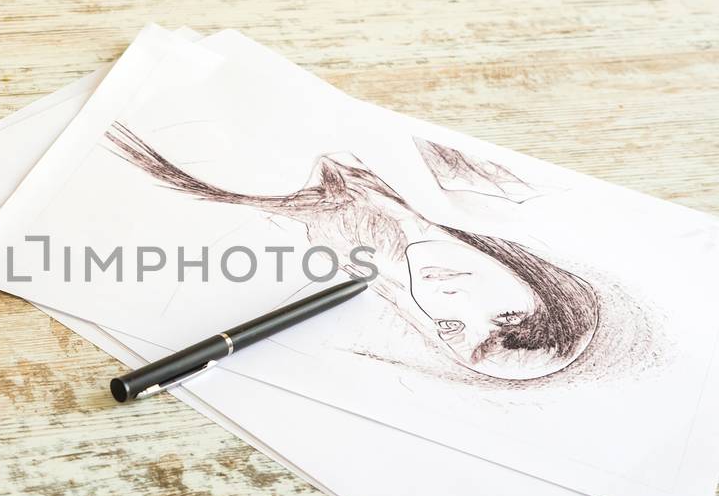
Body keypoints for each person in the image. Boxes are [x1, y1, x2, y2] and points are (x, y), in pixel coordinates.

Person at [105, 124, 599, 381]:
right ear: (538, 276)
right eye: (508, 315)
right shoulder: (470, 177)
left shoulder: (317, 243)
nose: (445, 299)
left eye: (450, 328)